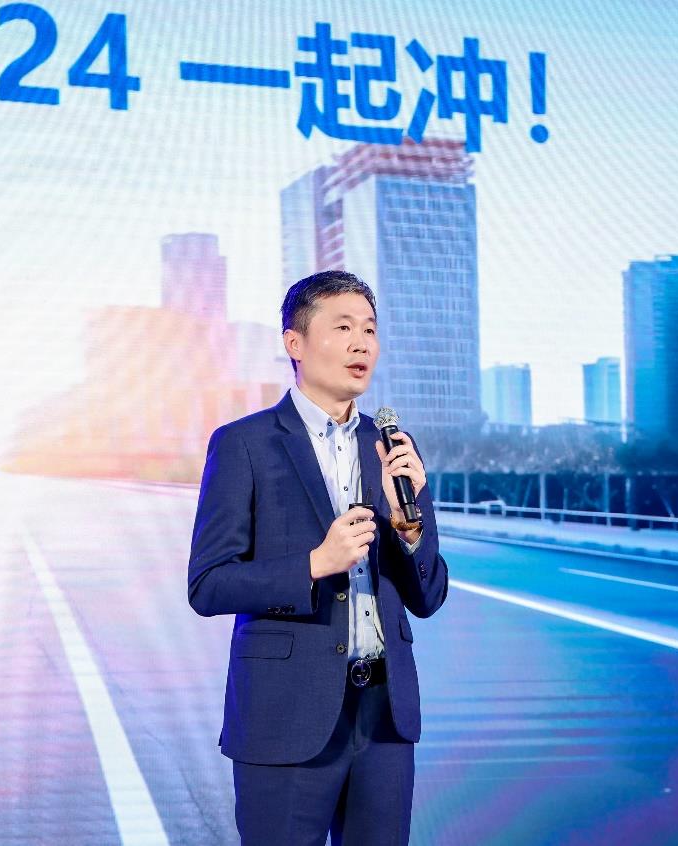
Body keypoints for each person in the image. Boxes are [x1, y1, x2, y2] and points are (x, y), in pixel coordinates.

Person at [187, 269, 449, 845]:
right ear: (295, 343)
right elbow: (208, 584)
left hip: (384, 719)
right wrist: (313, 564)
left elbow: (428, 595)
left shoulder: (392, 448)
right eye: (343, 327)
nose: (362, 344)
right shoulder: (245, 443)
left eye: (370, 330)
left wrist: (409, 529)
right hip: (286, 713)